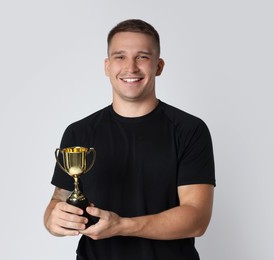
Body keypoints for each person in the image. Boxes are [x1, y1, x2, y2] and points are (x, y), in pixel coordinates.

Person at [44, 19, 215, 260]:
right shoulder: (78, 132)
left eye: (143, 56)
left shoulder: (189, 130)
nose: (131, 67)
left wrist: (122, 225)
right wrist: (54, 219)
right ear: (107, 66)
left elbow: (197, 218)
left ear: (159, 66)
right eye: (120, 56)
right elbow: (58, 200)